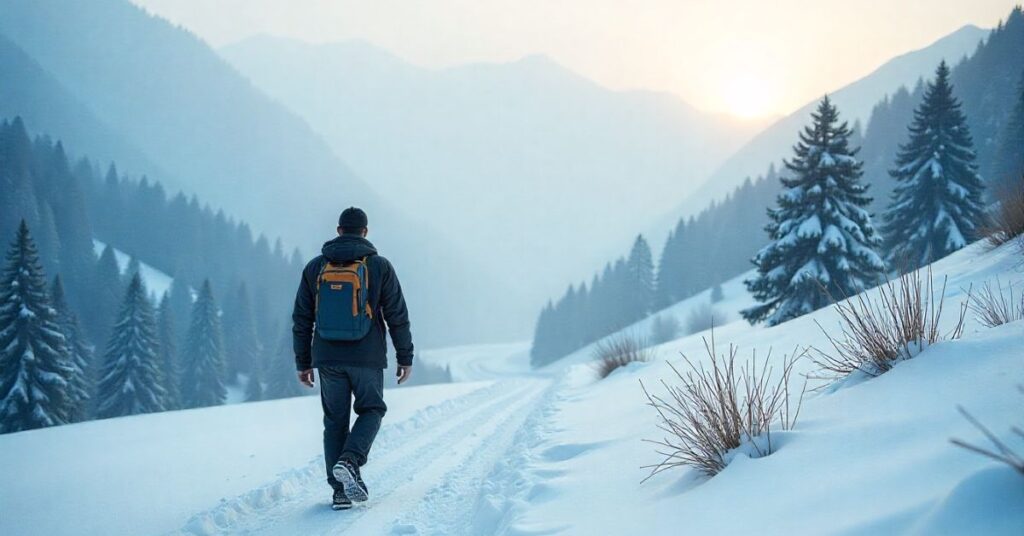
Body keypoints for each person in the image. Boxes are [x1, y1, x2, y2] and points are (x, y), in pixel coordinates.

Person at [292, 207, 414, 510]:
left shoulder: (315, 267)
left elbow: (302, 318)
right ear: (365, 232)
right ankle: (350, 460)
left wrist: (303, 361)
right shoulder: (379, 266)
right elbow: (397, 315)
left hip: (327, 357)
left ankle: (340, 492)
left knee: (334, 420)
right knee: (372, 409)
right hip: (367, 356)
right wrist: (405, 356)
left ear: (338, 230)